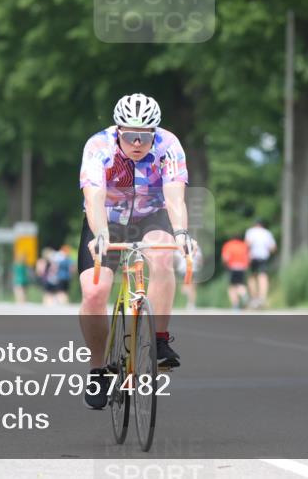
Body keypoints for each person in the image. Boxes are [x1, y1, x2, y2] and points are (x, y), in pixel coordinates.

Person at [77, 93, 196, 410]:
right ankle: (98, 369)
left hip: (151, 215)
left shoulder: (169, 145)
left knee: (162, 256)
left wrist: (181, 233)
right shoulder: (98, 146)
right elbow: (93, 198)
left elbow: (174, 197)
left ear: (155, 132)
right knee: (94, 292)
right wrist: (101, 235)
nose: (138, 143)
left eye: (145, 135)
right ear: (118, 131)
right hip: (107, 219)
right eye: (130, 135)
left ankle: (158, 340)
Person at [245, 218, 277, 309]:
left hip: (253, 257)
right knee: (263, 276)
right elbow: (273, 248)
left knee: (252, 276)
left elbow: (247, 244)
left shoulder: (250, 231)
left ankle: (254, 297)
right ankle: (262, 297)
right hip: (263, 257)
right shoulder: (267, 233)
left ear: (255, 224)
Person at [221, 234, 250, 309]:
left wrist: (224, 265)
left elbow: (225, 258)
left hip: (232, 267)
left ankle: (235, 304)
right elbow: (248, 257)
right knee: (240, 284)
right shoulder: (243, 245)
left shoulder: (228, 245)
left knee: (232, 287)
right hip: (242, 267)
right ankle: (244, 295)